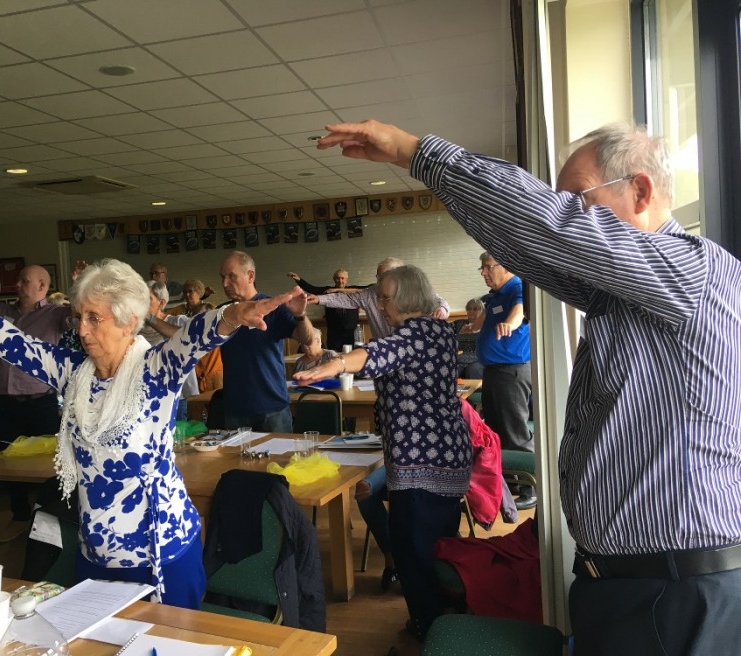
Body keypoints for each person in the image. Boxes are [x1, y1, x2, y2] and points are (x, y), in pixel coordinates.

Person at [316, 119, 741, 654]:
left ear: (640, 191)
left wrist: (414, 152)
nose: (568, 215)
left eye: (577, 200)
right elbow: (528, 247)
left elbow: (546, 228)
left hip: (674, 592)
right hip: (627, 584)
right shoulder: (623, 294)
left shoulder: (690, 270)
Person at [0, 258, 303, 607]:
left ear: (129, 321)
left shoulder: (156, 370)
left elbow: (197, 336)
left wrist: (233, 316)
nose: (82, 330)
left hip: (161, 557)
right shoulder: (72, 372)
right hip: (95, 555)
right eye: (79, 317)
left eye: (94, 318)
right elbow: (8, 339)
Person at [295, 264, 471, 640]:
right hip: (449, 457)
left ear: (406, 298)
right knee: (441, 546)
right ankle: (448, 617)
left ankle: (430, 629)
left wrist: (334, 364)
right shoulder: (439, 330)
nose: (379, 305)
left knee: (412, 551)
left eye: (385, 298)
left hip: (421, 464)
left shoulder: (411, 335)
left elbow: (375, 354)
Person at [0, 264, 70, 544]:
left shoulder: (56, 314)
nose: (18, 286)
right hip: (6, 404)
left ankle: (50, 519)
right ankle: (20, 516)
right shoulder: (0, 312)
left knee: (50, 464)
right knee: (7, 462)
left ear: (42, 286)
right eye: (18, 281)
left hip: (40, 403)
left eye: (25, 281)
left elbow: (79, 316)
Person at [218, 251, 315, 433]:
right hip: (235, 410)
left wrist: (300, 315)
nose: (225, 283)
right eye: (222, 277)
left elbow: (307, 339)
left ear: (250, 276)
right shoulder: (222, 313)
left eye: (231, 276)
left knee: (280, 453)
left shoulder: (273, 308)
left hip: (272, 409)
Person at [475, 253, 535, 509]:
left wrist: (510, 324)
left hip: (511, 372)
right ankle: (511, 485)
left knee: (515, 433)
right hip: (495, 372)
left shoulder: (517, 286)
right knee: (497, 432)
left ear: (506, 265)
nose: (483, 272)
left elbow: (520, 311)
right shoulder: (496, 294)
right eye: (482, 268)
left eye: (487, 267)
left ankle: (531, 489)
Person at [306, 257, 451, 341]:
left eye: (384, 276)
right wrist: (319, 299)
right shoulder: (371, 293)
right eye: (378, 276)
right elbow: (345, 299)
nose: (380, 280)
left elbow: (439, 302)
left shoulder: (415, 289)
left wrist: (442, 310)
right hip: (385, 352)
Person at [140, 280, 199, 422]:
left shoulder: (178, 321)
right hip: (144, 394)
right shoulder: (135, 328)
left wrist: (150, 318)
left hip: (175, 394)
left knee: (176, 433)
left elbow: (187, 338)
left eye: (147, 299)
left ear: (161, 303)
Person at [287, 269, 362, 351]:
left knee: (352, 356)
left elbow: (367, 289)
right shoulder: (328, 290)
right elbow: (311, 289)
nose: (340, 281)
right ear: (334, 279)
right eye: (338, 278)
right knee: (333, 356)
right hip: (334, 334)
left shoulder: (354, 291)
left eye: (342, 278)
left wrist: (338, 290)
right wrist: (299, 280)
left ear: (347, 279)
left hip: (351, 333)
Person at [453, 297, 485, 379]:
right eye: (469, 309)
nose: (471, 311)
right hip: (460, 358)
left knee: (473, 370)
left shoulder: (486, 325)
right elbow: (444, 330)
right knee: (452, 371)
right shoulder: (459, 324)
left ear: (482, 311)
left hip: (478, 358)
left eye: (475, 309)